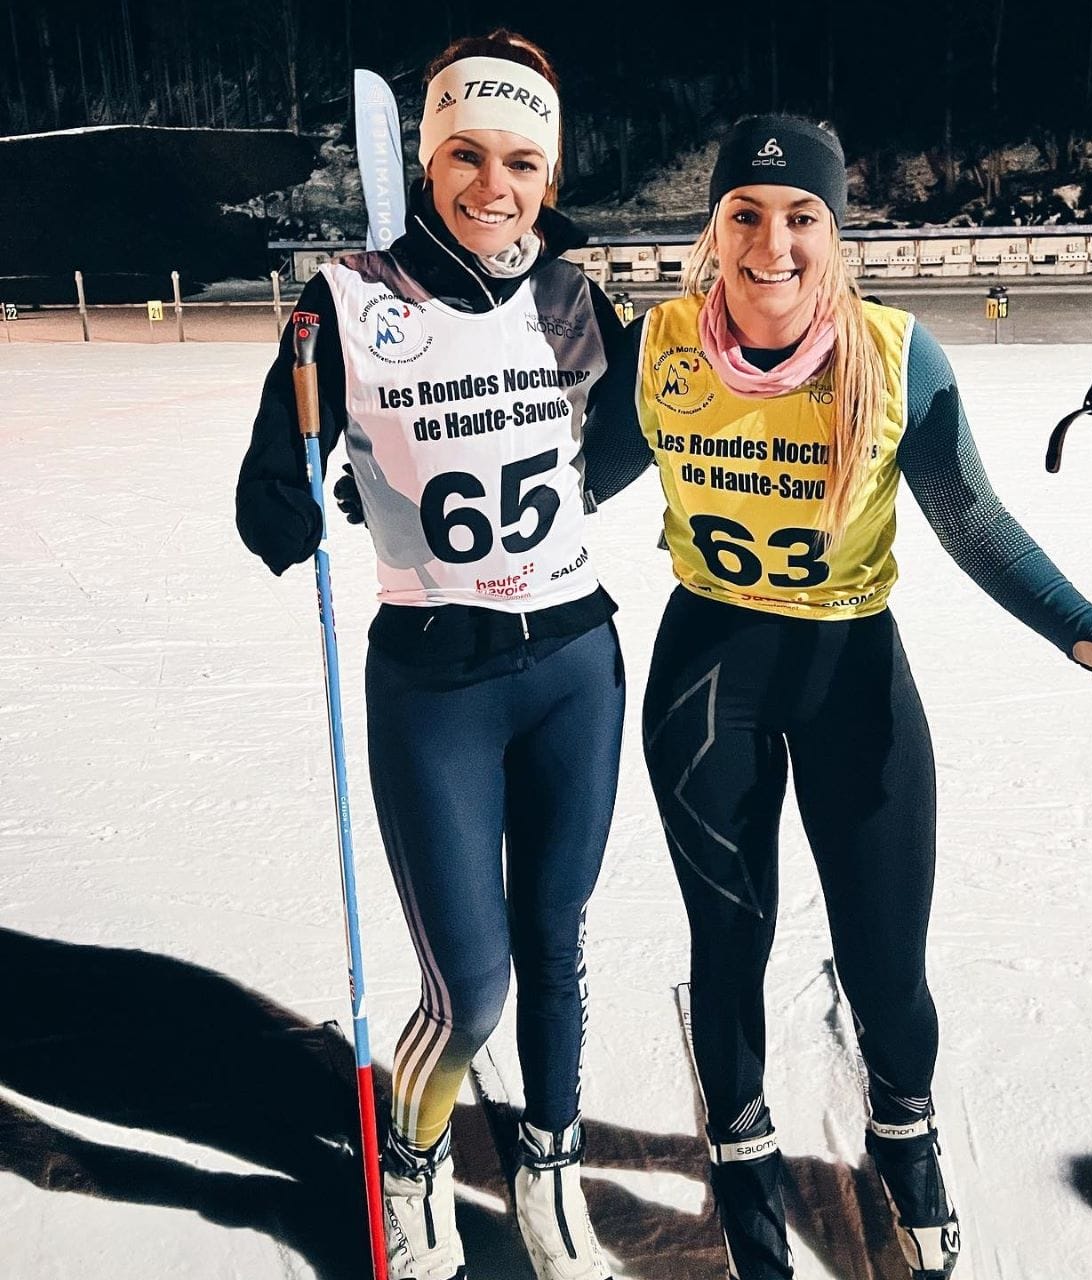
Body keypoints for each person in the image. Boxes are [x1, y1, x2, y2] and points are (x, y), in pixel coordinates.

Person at [583, 115, 1092, 1280]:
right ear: (712, 227)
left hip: (850, 676)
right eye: (744, 213)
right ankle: (738, 1141)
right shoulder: (656, 347)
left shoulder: (892, 352)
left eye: (800, 217)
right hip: (706, 675)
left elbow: (973, 521)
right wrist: (418, 469)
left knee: (886, 958)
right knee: (729, 938)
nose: (771, 241)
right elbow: (561, 483)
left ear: (833, 232)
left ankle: (903, 1126)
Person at [235, 29, 627, 1280]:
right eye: (464, 154)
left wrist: (549, 485)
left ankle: (550, 1163)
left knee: (555, 942)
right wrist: (299, 497)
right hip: (433, 680)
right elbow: (263, 501)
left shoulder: (570, 295)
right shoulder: (345, 300)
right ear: (427, 155)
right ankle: (411, 1156)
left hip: (573, 656)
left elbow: (616, 445)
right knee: (468, 983)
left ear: (548, 175)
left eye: (520, 161)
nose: (492, 184)